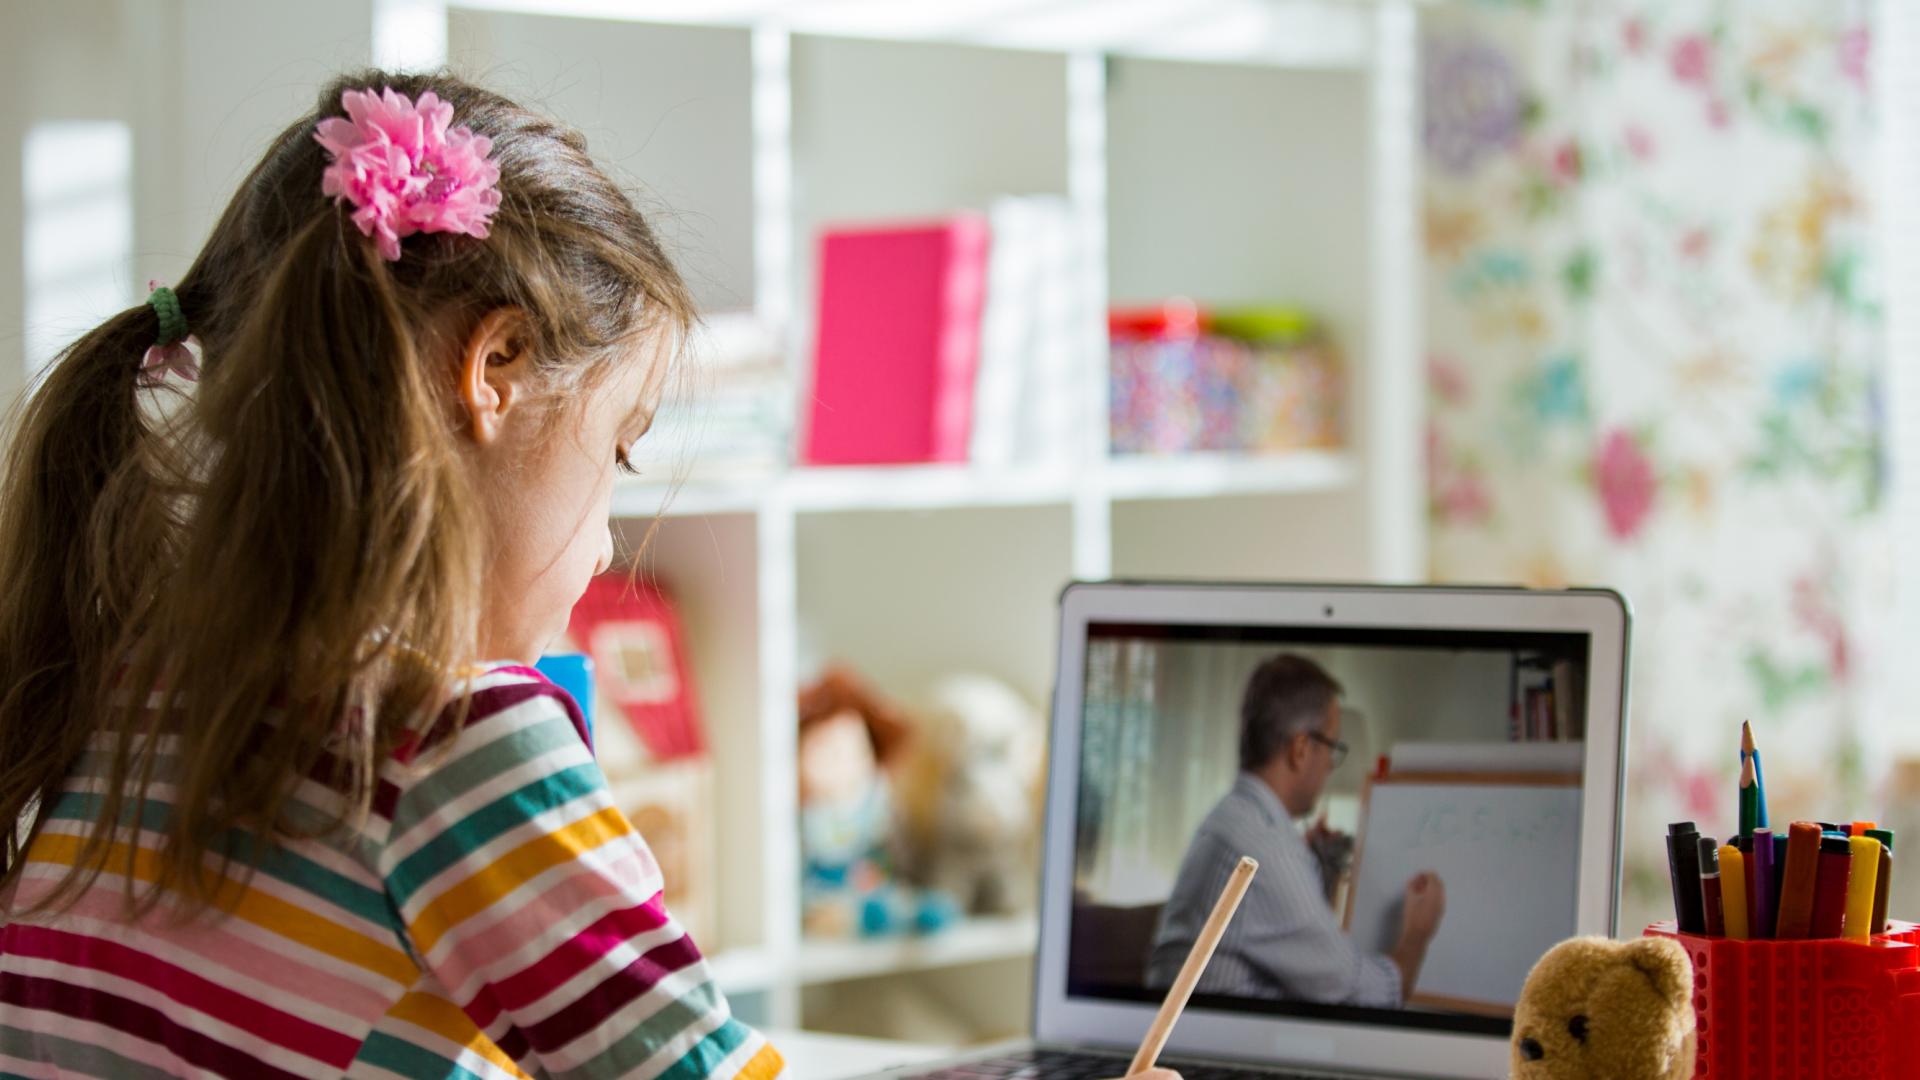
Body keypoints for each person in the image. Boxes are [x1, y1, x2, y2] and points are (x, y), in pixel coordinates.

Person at [1146, 654, 1445, 1008]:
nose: (1329, 767)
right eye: (1332, 748)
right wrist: (1418, 933)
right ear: (1302, 749)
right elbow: (1364, 994)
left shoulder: (1230, 818)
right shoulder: (1265, 849)